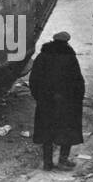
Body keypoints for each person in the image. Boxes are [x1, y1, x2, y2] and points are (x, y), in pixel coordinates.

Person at [28, 31, 84, 171]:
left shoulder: (42, 57)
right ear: (66, 42)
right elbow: (77, 81)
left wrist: (39, 97)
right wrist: (77, 100)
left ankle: (47, 163)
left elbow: (33, 79)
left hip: (46, 102)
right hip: (66, 103)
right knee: (67, 131)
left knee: (47, 132)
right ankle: (62, 160)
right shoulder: (70, 58)